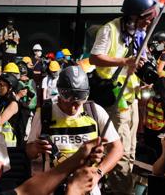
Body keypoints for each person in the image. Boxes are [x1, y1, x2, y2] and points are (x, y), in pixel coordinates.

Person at [89, 0, 159, 195]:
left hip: (132, 98)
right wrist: (124, 62)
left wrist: (142, 76)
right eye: (147, 18)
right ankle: (122, 191)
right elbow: (95, 58)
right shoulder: (110, 30)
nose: (149, 23)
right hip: (114, 98)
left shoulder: (139, 34)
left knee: (131, 150)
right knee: (119, 151)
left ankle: (122, 187)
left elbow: (138, 64)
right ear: (133, 16)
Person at [25, 66, 123, 195]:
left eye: (79, 100)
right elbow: (29, 152)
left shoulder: (95, 111)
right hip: (53, 186)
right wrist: (35, 148)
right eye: (69, 100)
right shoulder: (44, 113)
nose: (74, 106)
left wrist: (99, 173)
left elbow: (117, 148)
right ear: (60, 94)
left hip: (87, 188)